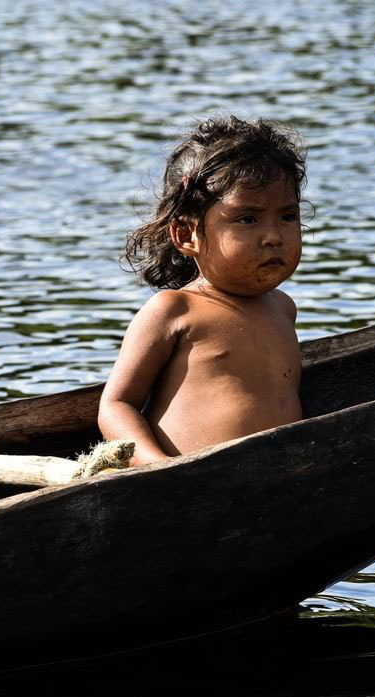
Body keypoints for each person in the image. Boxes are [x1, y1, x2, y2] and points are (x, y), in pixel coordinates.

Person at [98, 116, 307, 466]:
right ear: (185, 234)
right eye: (248, 219)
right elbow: (116, 405)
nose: (274, 236)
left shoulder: (283, 308)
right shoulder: (174, 310)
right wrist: (158, 467)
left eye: (287, 217)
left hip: (278, 473)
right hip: (194, 481)